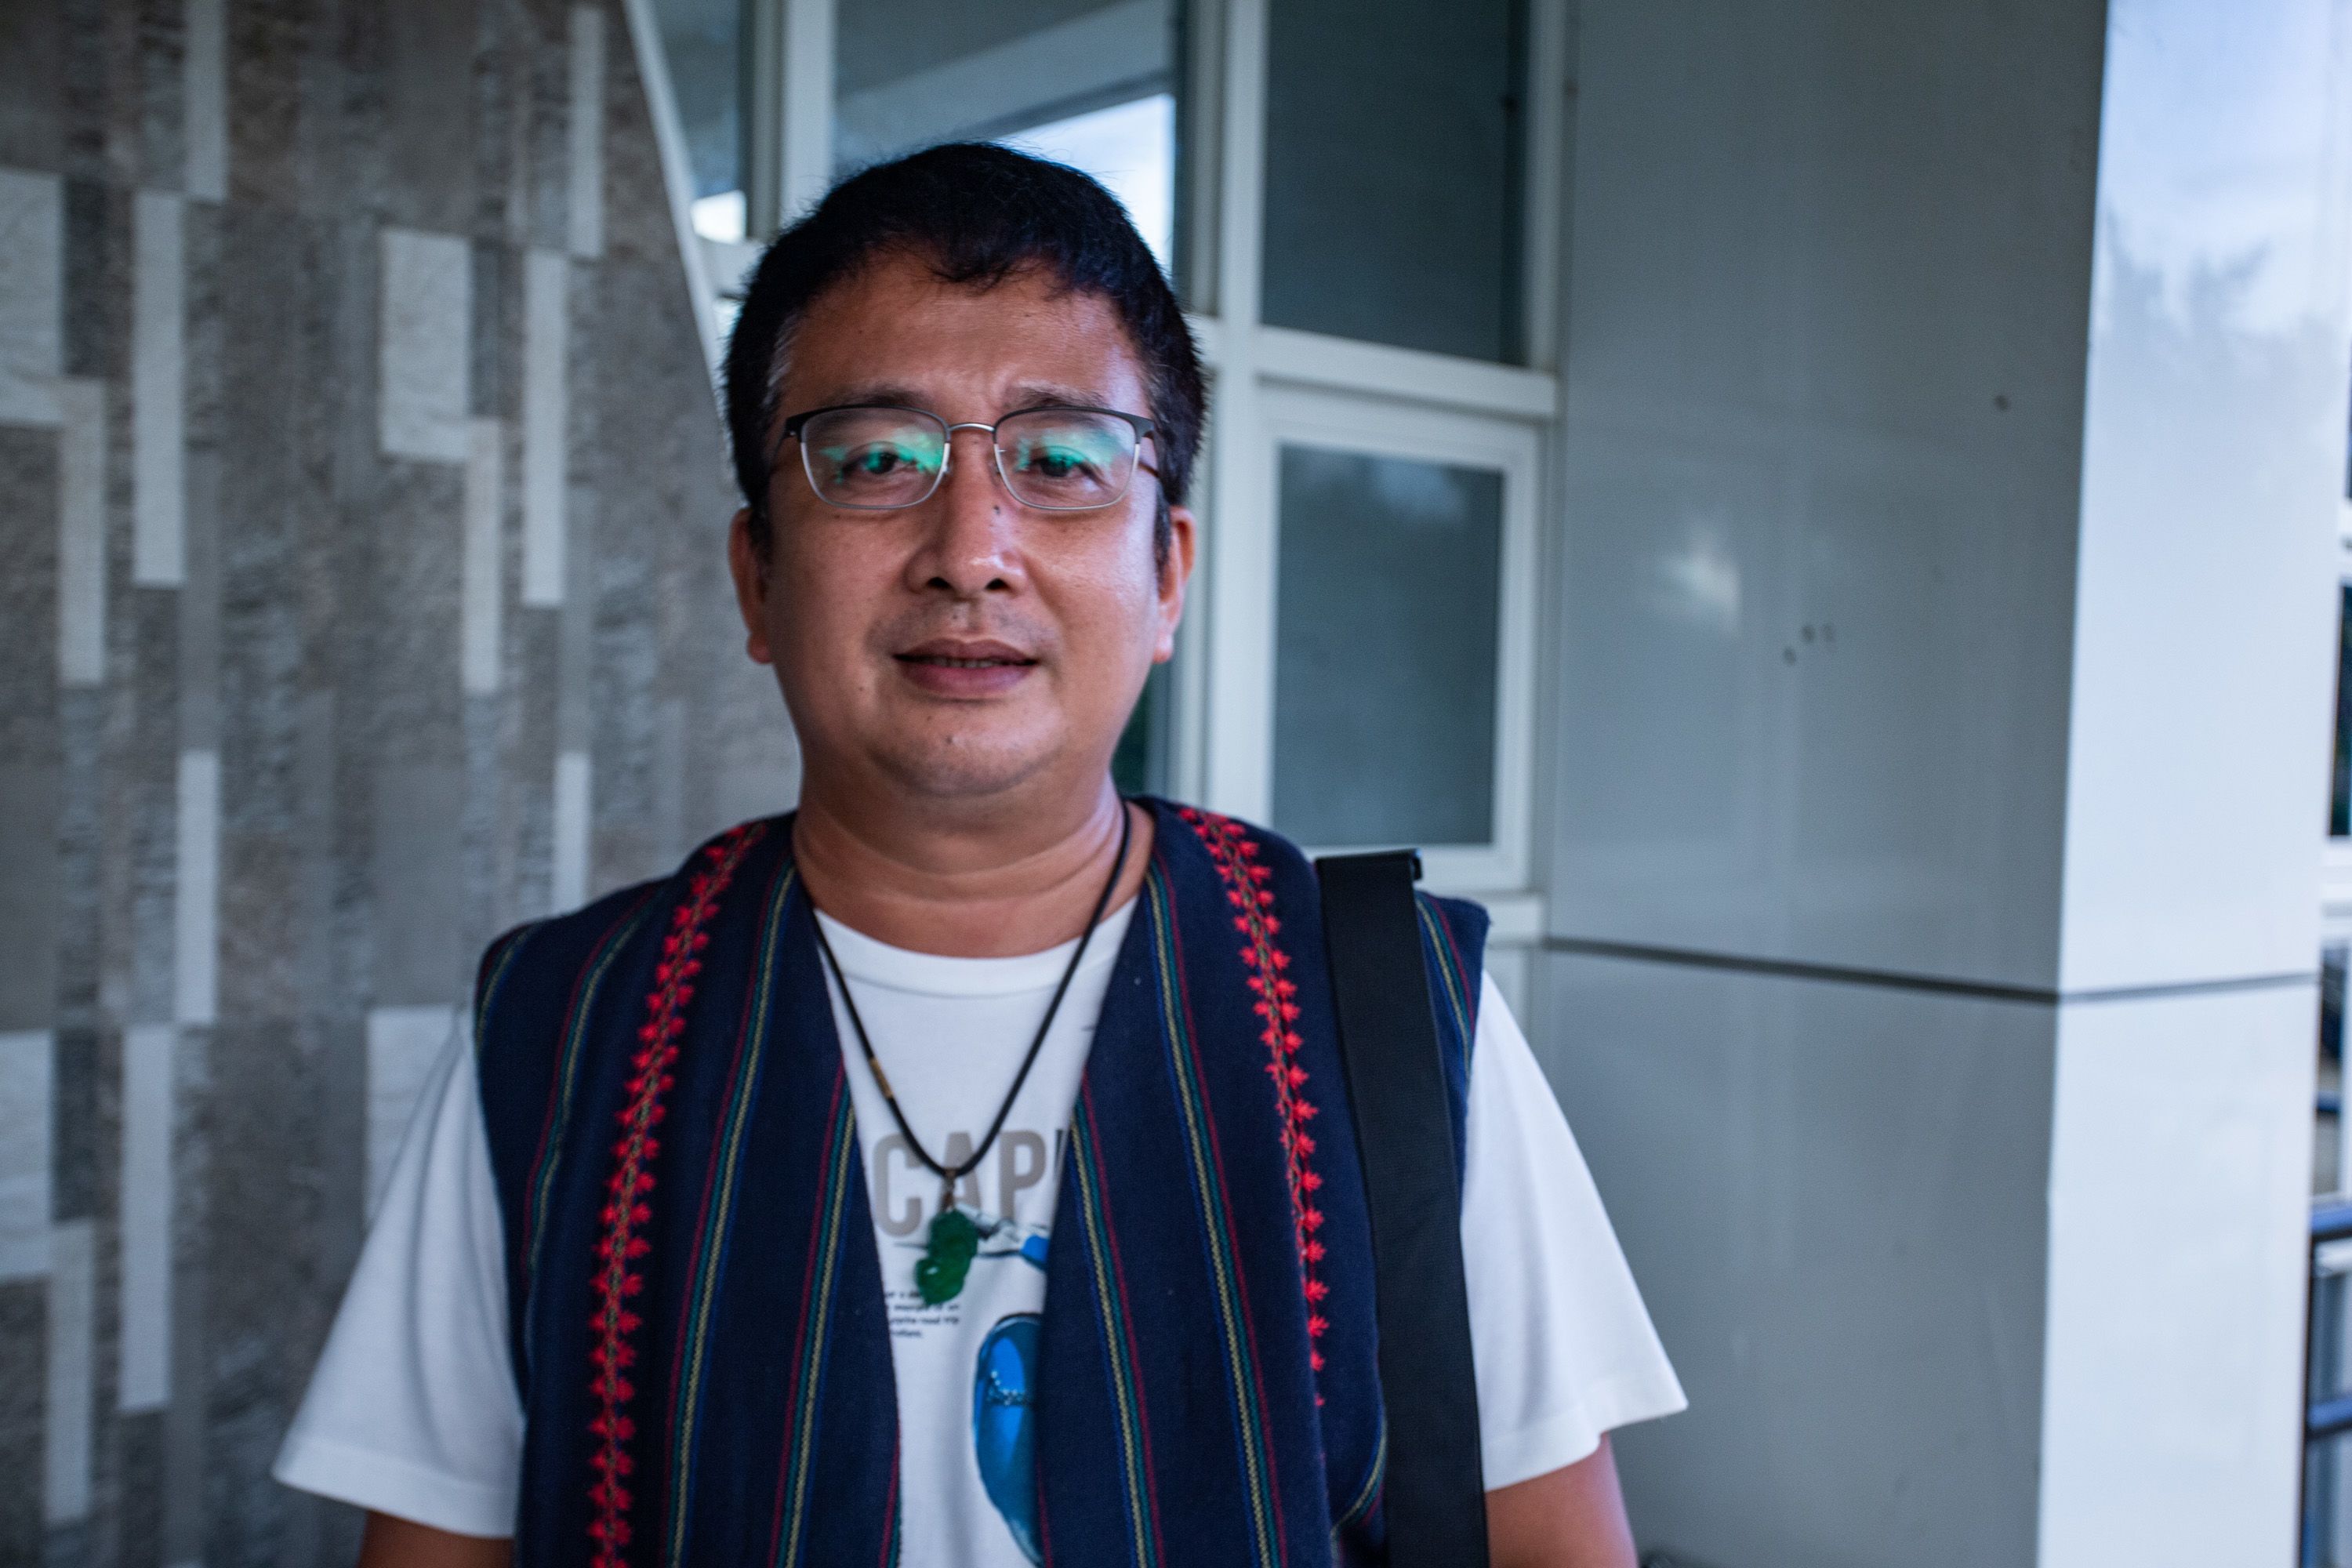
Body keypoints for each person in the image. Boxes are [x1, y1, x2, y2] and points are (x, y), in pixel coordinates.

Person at [274, 143, 1683, 1568]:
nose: (972, 549)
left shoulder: (1388, 1008)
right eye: (877, 460)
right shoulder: (562, 1030)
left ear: (1167, 575)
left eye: (1061, 461)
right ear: (758, 577)